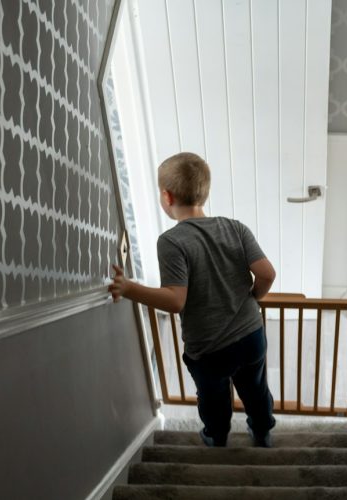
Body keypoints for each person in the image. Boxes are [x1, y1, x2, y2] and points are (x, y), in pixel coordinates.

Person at [108, 152, 277, 448]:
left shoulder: (172, 241)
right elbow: (267, 273)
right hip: (251, 334)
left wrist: (130, 289)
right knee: (255, 389)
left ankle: (217, 435)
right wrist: (252, 298)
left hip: (210, 348)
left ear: (167, 197)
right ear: (204, 192)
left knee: (213, 398)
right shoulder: (235, 228)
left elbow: (175, 301)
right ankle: (262, 431)